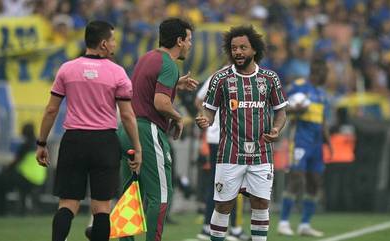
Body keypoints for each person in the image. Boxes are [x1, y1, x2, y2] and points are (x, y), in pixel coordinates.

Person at [35, 20, 142, 241]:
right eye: (112, 40)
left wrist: (42, 143)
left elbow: (50, 110)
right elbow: (128, 116)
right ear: (103, 43)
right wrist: (137, 148)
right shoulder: (117, 73)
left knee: (67, 204)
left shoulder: (67, 69)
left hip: (73, 140)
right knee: (102, 207)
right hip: (104, 142)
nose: (114, 44)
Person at [195, 25, 287, 241]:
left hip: (261, 152)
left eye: (243, 47)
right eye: (234, 48)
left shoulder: (269, 78)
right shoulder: (221, 79)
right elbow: (209, 110)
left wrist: (275, 128)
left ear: (254, 49)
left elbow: (281, 111)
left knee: (261, 203)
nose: (238, 52)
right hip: (229, 152)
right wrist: (204, 119)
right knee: (223, 204)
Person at [117, 17, 198, 241]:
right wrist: (178, 116)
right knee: (161, 195)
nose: (190, 45)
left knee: (131, 194)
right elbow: (160, 103)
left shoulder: (148, 57)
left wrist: (175, 84)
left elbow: (146, 89)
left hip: (127, 129)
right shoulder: (169, 64)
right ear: (180, 41)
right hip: (147, 131)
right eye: (189, 40)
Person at [277, 57, 331, 237]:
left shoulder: (322, 94)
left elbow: (323, 121)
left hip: (316, 144)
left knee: (314, 181)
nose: (327, 77)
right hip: (300, 139)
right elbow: (284, 107)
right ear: (317, 72)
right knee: (296, 177)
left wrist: (328, 142)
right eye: (325, 73)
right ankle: (283, 222)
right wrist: (296, 110)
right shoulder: (299, 86)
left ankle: (305, 224)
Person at [195, 70, 250, 241]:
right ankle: (232, 229)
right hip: (221, 137)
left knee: (222, 182)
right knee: (227, 181)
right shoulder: (219, 76)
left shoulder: (223, 77)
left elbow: (199, 100)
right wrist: (211, 117)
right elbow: (199, 100)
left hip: (227, 137)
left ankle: (211, 227)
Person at [0, 123, 46, 215]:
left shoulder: (26, 145)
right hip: (41, 178)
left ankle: (8, 208)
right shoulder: (41, 145)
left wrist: (5, 170)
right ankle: (30, 208)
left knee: (3, 178)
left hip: (28, 177)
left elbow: (15, 162)